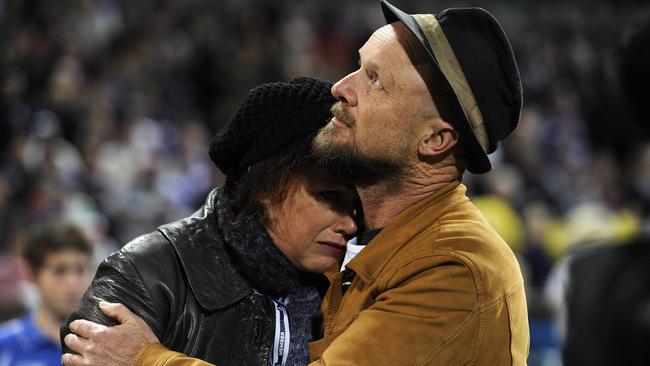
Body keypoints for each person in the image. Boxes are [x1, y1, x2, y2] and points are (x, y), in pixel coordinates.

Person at [63, 1, 530, 365]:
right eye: (357, 67)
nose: (341, 87)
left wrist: (144, 360)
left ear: (436, 139)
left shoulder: (454, 269)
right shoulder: (370, 252)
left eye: (374, 81)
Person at [60, 76, 359, 366]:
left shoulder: (350, 287)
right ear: (267, 187)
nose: (350, 224)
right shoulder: (146, 274)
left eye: (355, 206)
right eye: (329, 196)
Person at [0, 222, 93, 366]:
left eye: (80, 270)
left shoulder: (106, 345)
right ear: (31, 274)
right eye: (59, 271)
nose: (72, 283)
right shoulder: (4, 345)